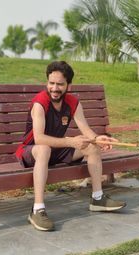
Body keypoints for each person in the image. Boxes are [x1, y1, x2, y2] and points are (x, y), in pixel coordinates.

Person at [16, 61, 126, 231]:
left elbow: (85, 130)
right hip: (32, 151)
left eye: (60, 84)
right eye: (51, 83)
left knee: (91, 147)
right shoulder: (40, 103)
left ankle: (97, 198)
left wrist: (99, 139)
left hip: (55, 150)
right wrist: (71, 141)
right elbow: (39, 139)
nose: (54, 88)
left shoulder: (73, 102)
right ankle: (37, 209)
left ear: (68, 85)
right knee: (44, 149)